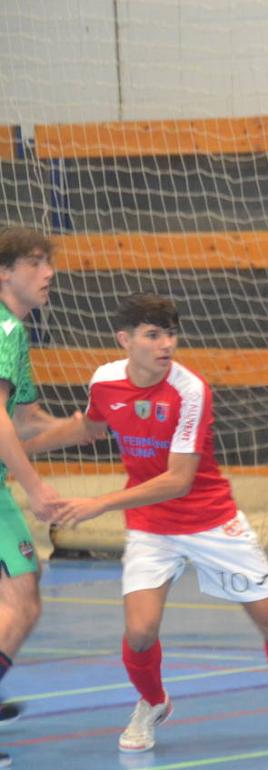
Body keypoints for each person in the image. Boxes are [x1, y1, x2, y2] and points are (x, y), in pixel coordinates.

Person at [28, 292, 268, 753]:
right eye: (153, 335)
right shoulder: (104, 381)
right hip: (150, 526)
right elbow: (90, 427)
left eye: (170, 334)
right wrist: (19, 452)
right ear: (125, 340)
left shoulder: (190, 389)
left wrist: (100, 503)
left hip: (210, 518)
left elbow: (178, 480)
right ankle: (152, 703)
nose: (166, 345)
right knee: (140, 632)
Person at [0, 226, 76, 769]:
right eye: (34, 262)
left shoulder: (16, 333)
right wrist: (35, 487)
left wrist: (79, 427)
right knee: (22, 601)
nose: (48, 272)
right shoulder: (5, 328)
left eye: (48, 261)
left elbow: (23, 422)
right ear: (4, 272)